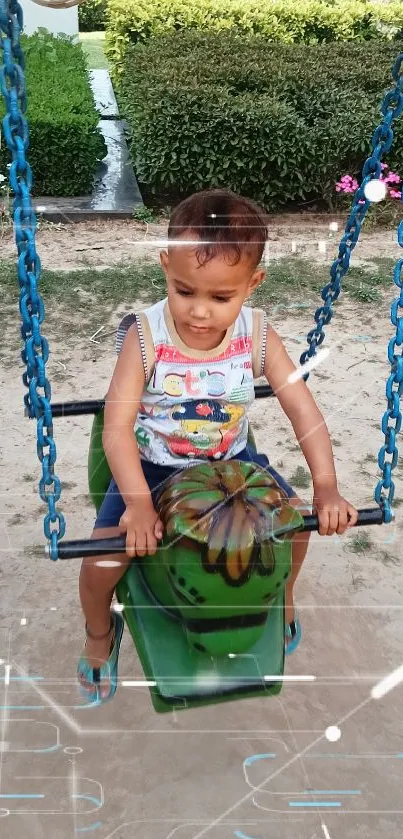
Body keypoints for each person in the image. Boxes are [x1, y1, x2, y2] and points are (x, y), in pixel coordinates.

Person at [77, 188, 358, 703]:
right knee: (103, 559)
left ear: (252, 284)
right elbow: (116, 428)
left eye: (221, 297)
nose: (200, 312)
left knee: (294, 529)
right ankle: (100, 634)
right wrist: (138, 503)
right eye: (185, 291)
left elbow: (304, 410)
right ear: (165, 264)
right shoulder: (145, 335)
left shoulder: (257, 334)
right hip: (154, 465)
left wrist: (326, 487)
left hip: (233, 465)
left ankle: (282, 597)